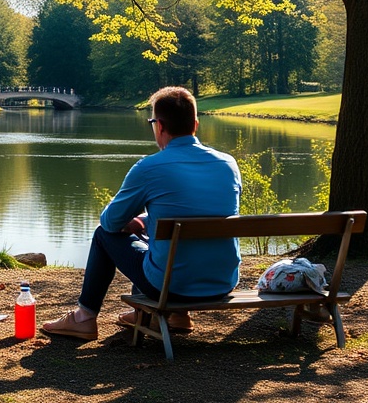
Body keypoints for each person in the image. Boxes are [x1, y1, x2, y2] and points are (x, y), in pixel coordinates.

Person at [41, 86, 242, 340]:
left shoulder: (149, 168)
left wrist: (135, 222)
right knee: (159, 240)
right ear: (196, 124)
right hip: (222, 283)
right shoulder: (228, 164)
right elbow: (210, 213)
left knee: (103, 235)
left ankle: (84, 318)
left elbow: (111, 222)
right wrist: (147, 222)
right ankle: (177, 316)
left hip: (171, 288)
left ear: (159, 126)